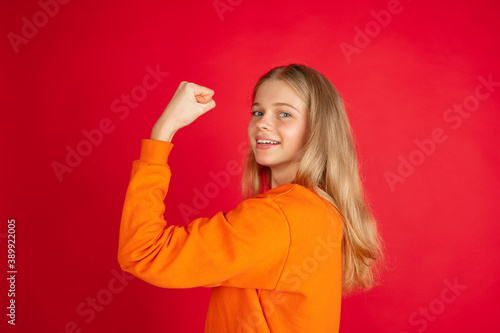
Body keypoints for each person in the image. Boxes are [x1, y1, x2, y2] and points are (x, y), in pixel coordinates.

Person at [117, 64, 384, 332]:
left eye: (284, 114)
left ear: (317, 129)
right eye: (258, 112)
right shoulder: (319, 210)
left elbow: (143, 252)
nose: (263, 123)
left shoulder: (279, 216)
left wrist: (164, 130)